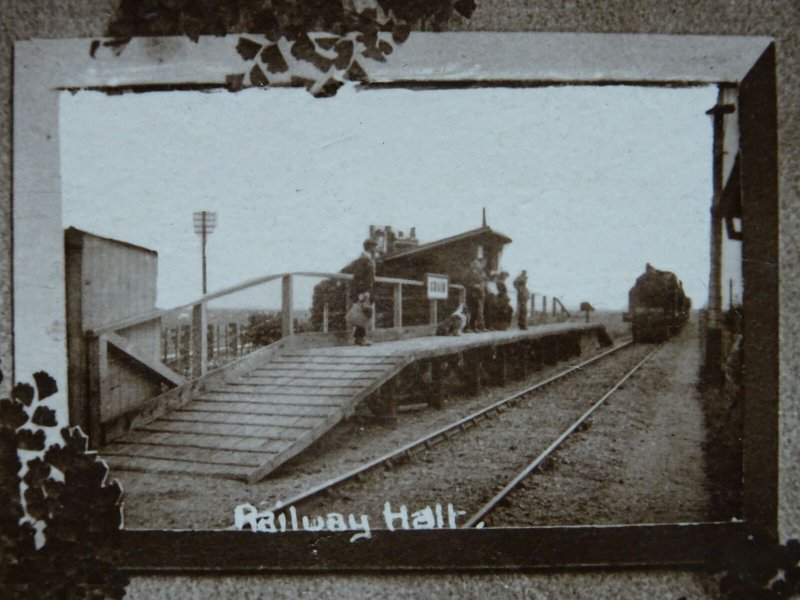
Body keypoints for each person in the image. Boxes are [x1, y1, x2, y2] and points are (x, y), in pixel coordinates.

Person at [350, 239, 377, 345]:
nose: (375, 249)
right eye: (374, 246)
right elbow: (359, 276)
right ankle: (360, 338)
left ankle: (359, 338)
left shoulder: (368, 258)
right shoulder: (363, 259)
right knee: (364, 312)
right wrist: (363, 291)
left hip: (368, 290)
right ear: (369, 247)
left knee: (365, 312)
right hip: (363, 291)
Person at [464, 257, 487, 332]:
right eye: (474, 263)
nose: (475, 265)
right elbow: (464, 282)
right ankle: (467, 327)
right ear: (471, 264)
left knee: (476, 311)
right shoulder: (467, 272)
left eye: (476, 264)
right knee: (469, 311)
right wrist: (473, 285)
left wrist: (481, 285)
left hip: (477, 294)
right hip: (470, 294)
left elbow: (483, 281)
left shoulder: (478, 273)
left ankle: (473, 327)